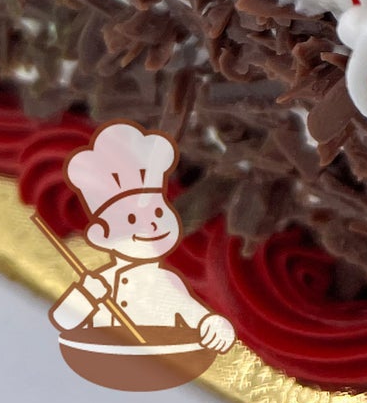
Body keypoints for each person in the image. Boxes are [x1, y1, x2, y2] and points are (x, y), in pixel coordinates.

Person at [48, 121, 235, 352]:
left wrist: (212, 326)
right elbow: (62, 319)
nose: (152, 225)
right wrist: (87, 293)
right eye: (131, 220)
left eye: (157, 213)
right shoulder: (104, 281)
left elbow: (199, 317)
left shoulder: (172, 278)